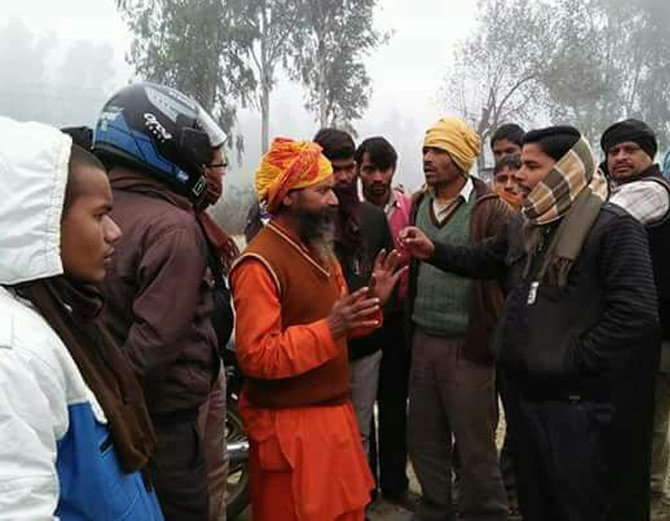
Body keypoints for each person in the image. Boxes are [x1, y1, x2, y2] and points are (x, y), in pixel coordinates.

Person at [401, 125, 659, 521]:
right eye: (520, 164)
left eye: (531, 166)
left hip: (580, 408)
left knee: (583, 503)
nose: (518, 174)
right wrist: (433, 250)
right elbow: (486, 258)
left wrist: (569, 362)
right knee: (539, 500)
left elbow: (635, 317)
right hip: (530, 398)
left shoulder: (612, 228)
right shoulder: (530, 223)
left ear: (565, 170)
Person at [230, 137, 405, 521]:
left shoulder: (319, 249)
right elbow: (257, 356)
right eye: (322, 190)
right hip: (290, 432)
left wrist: (372, 300)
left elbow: (339, 327)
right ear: (288, 196)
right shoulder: (259, 263)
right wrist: (331, 327)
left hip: (333, 421)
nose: (334, 199)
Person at [0, 116, 163, 520]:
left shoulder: (57, 316)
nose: (114, 232)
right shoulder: (12, 356)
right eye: (99, 215)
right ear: (41, 221)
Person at [93, 82, 230, 521]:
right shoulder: (172, 226)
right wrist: (120, 406)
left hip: (116, 412)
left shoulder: (98, 208)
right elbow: (153, 344)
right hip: (162, 422)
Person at [408, 116, 511, 521]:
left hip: (469, 343)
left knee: (475, 442)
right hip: (423, 338)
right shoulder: (418, 203)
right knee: (424, 436)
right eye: (426, 151)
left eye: (439, 151)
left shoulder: (490, 210)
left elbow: (498, 269)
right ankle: (435, 508)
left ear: (463, 157)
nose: (428, 159)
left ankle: (485, 512)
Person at [601, 119, 670, 518]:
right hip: (641, 330)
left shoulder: (650, 192)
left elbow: (603, 218)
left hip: (658, 334)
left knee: (650, 419)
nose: (621, 157)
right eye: (614, 152)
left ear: (650, 155)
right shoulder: (623, 190)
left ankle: (649, 495)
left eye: (630, 150)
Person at [314, 128, 393, 463]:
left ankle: (357, 504)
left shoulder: (373, 219)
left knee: (358, 431)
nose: (344, 178)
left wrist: (378, 296)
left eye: (349, 168)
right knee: (323, 434)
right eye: (335, 169)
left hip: (364, 347)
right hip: (318, 346)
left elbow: (384, 275)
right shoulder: (304, 219)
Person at [355, 136, 414, 507]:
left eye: (384, 169)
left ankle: (396, 484)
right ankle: (365, 484)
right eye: (369, 169)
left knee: (393, 404)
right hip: (362, 321)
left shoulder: (410, 206)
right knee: (361, 409)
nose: (378, 177)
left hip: (398, 321)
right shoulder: (349, 212)